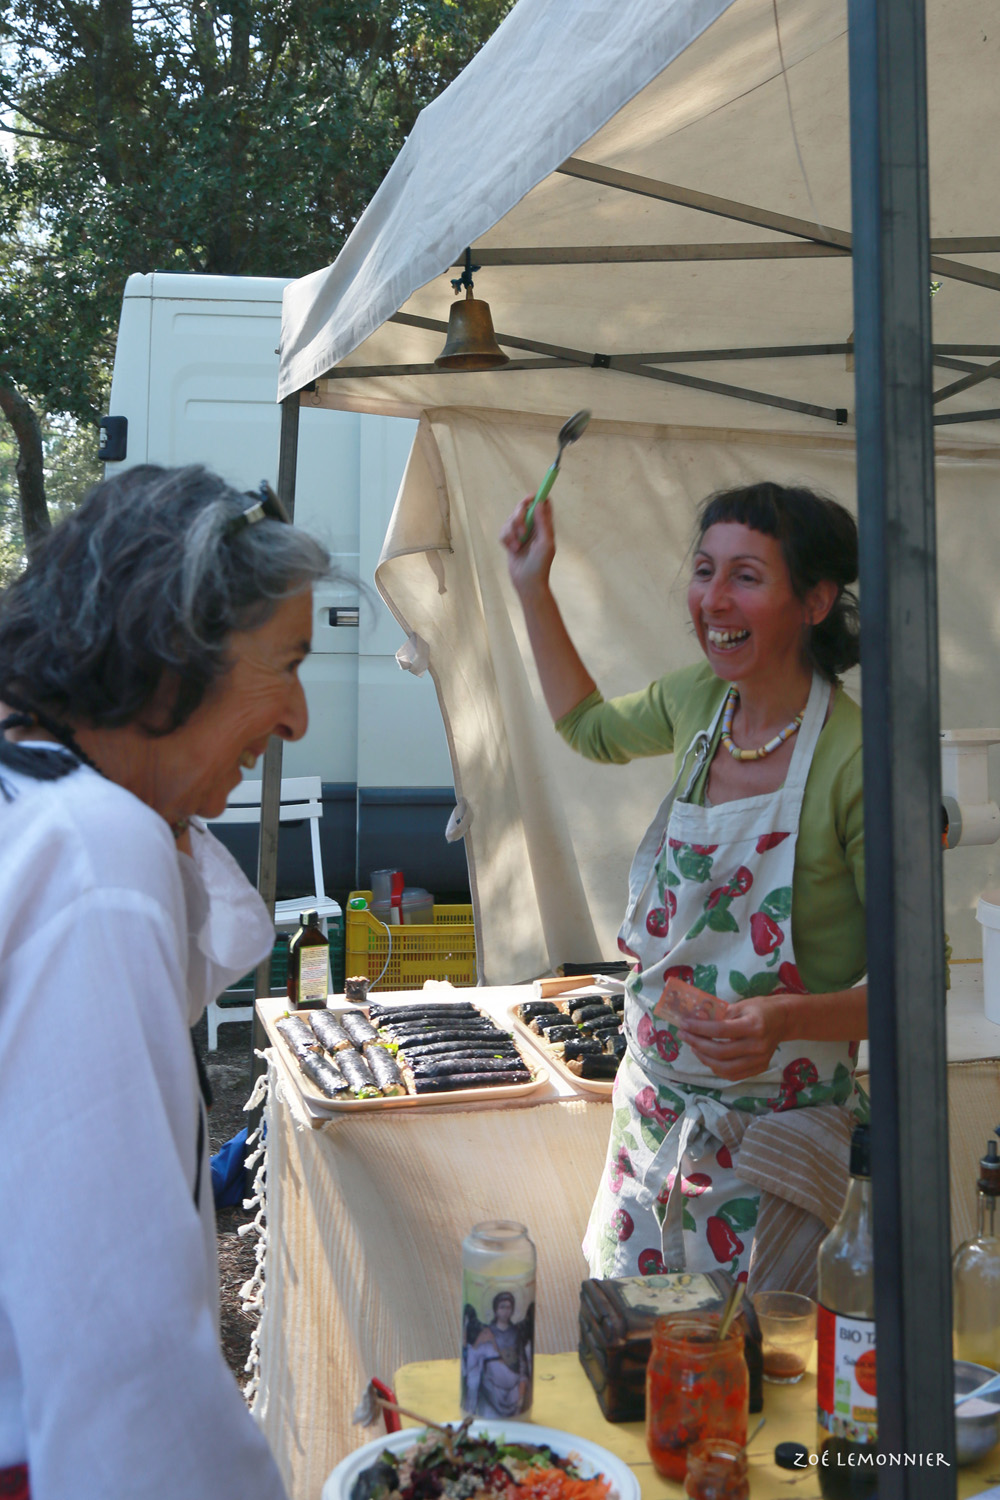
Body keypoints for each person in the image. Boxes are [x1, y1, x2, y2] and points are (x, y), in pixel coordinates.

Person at [0, 465, 333, 1499]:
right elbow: (123, 1351)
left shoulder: (35, 797)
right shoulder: (90, 850)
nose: (298, 719)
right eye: (285, 665)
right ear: (170, 657)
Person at [501, 480, 866, 1294]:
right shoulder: (697, 702)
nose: (713, 599)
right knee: (634, 1367)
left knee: (755, 1383)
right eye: (704, 571)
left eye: (745, 576)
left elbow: (919, 981)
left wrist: (785, 1018)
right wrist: (532, 584)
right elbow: (588, 728)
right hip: (653, 1121)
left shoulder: (855, 759)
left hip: (777, 1143)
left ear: (813, 601)